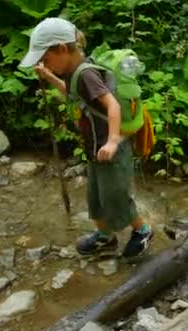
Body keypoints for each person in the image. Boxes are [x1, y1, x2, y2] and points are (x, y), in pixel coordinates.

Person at [18, 17, 154, 258]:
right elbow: (72, 95)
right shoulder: (72, 73)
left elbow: (112, 106)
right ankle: (105, 237)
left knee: (117, 195)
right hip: (96, 146)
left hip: (111, 147)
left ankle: (142, 230)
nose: (44, 62)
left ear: (62, 49)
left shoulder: (86, 74)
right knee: (97, 197)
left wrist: (112, 142)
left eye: (46, 58)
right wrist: (49, 77)